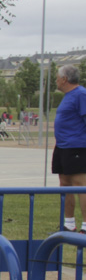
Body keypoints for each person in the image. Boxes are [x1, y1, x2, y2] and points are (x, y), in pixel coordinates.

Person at [53, 65, 86, 233]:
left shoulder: (81, 94)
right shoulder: (68, 96)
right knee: (65, 184)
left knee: (80, 185)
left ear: (64, 79)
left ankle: (85, 226)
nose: (56, 81)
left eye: (57, 77)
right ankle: (69, 224)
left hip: (77, 147)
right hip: (62, 147)